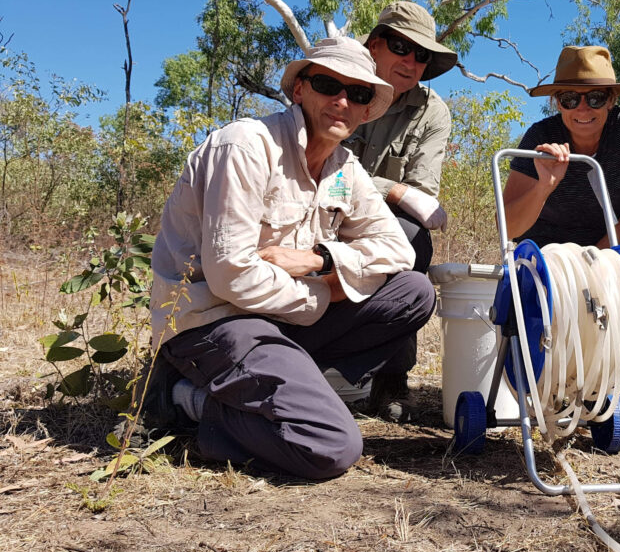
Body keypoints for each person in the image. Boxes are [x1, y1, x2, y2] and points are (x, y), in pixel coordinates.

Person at [143, 35, 436, 480]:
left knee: (413, 291)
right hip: (216, 321)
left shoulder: (345, 167)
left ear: (364, 111)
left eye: (357, 94)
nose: (341, 101)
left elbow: (396, 248)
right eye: (326, 85)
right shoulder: (246, 147)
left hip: (280, 318)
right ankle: (185, 399)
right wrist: (325, 296)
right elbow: (231, 277)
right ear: (299, 89)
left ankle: (287, 383)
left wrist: (321, 260)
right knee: (331, 446)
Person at [502, 45, 620, 250]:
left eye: (595, 97)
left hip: (614, 242)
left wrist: (599, 253)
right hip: (545, 249)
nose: (582, 108)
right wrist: (544, 186)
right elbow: (507, 229)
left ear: (611, 100)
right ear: (557, 103)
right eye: (570, 98)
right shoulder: (540, 137)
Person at [349, 1, 458, 273]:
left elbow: (420, 195)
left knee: (413, 238)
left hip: (378, 220)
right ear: (375, 46)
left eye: (421, 54)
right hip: (321, 208)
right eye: (400, 47)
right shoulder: (338, 87)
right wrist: (394, 190)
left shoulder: (432, 112)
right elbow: (315, 172)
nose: (410, 62)